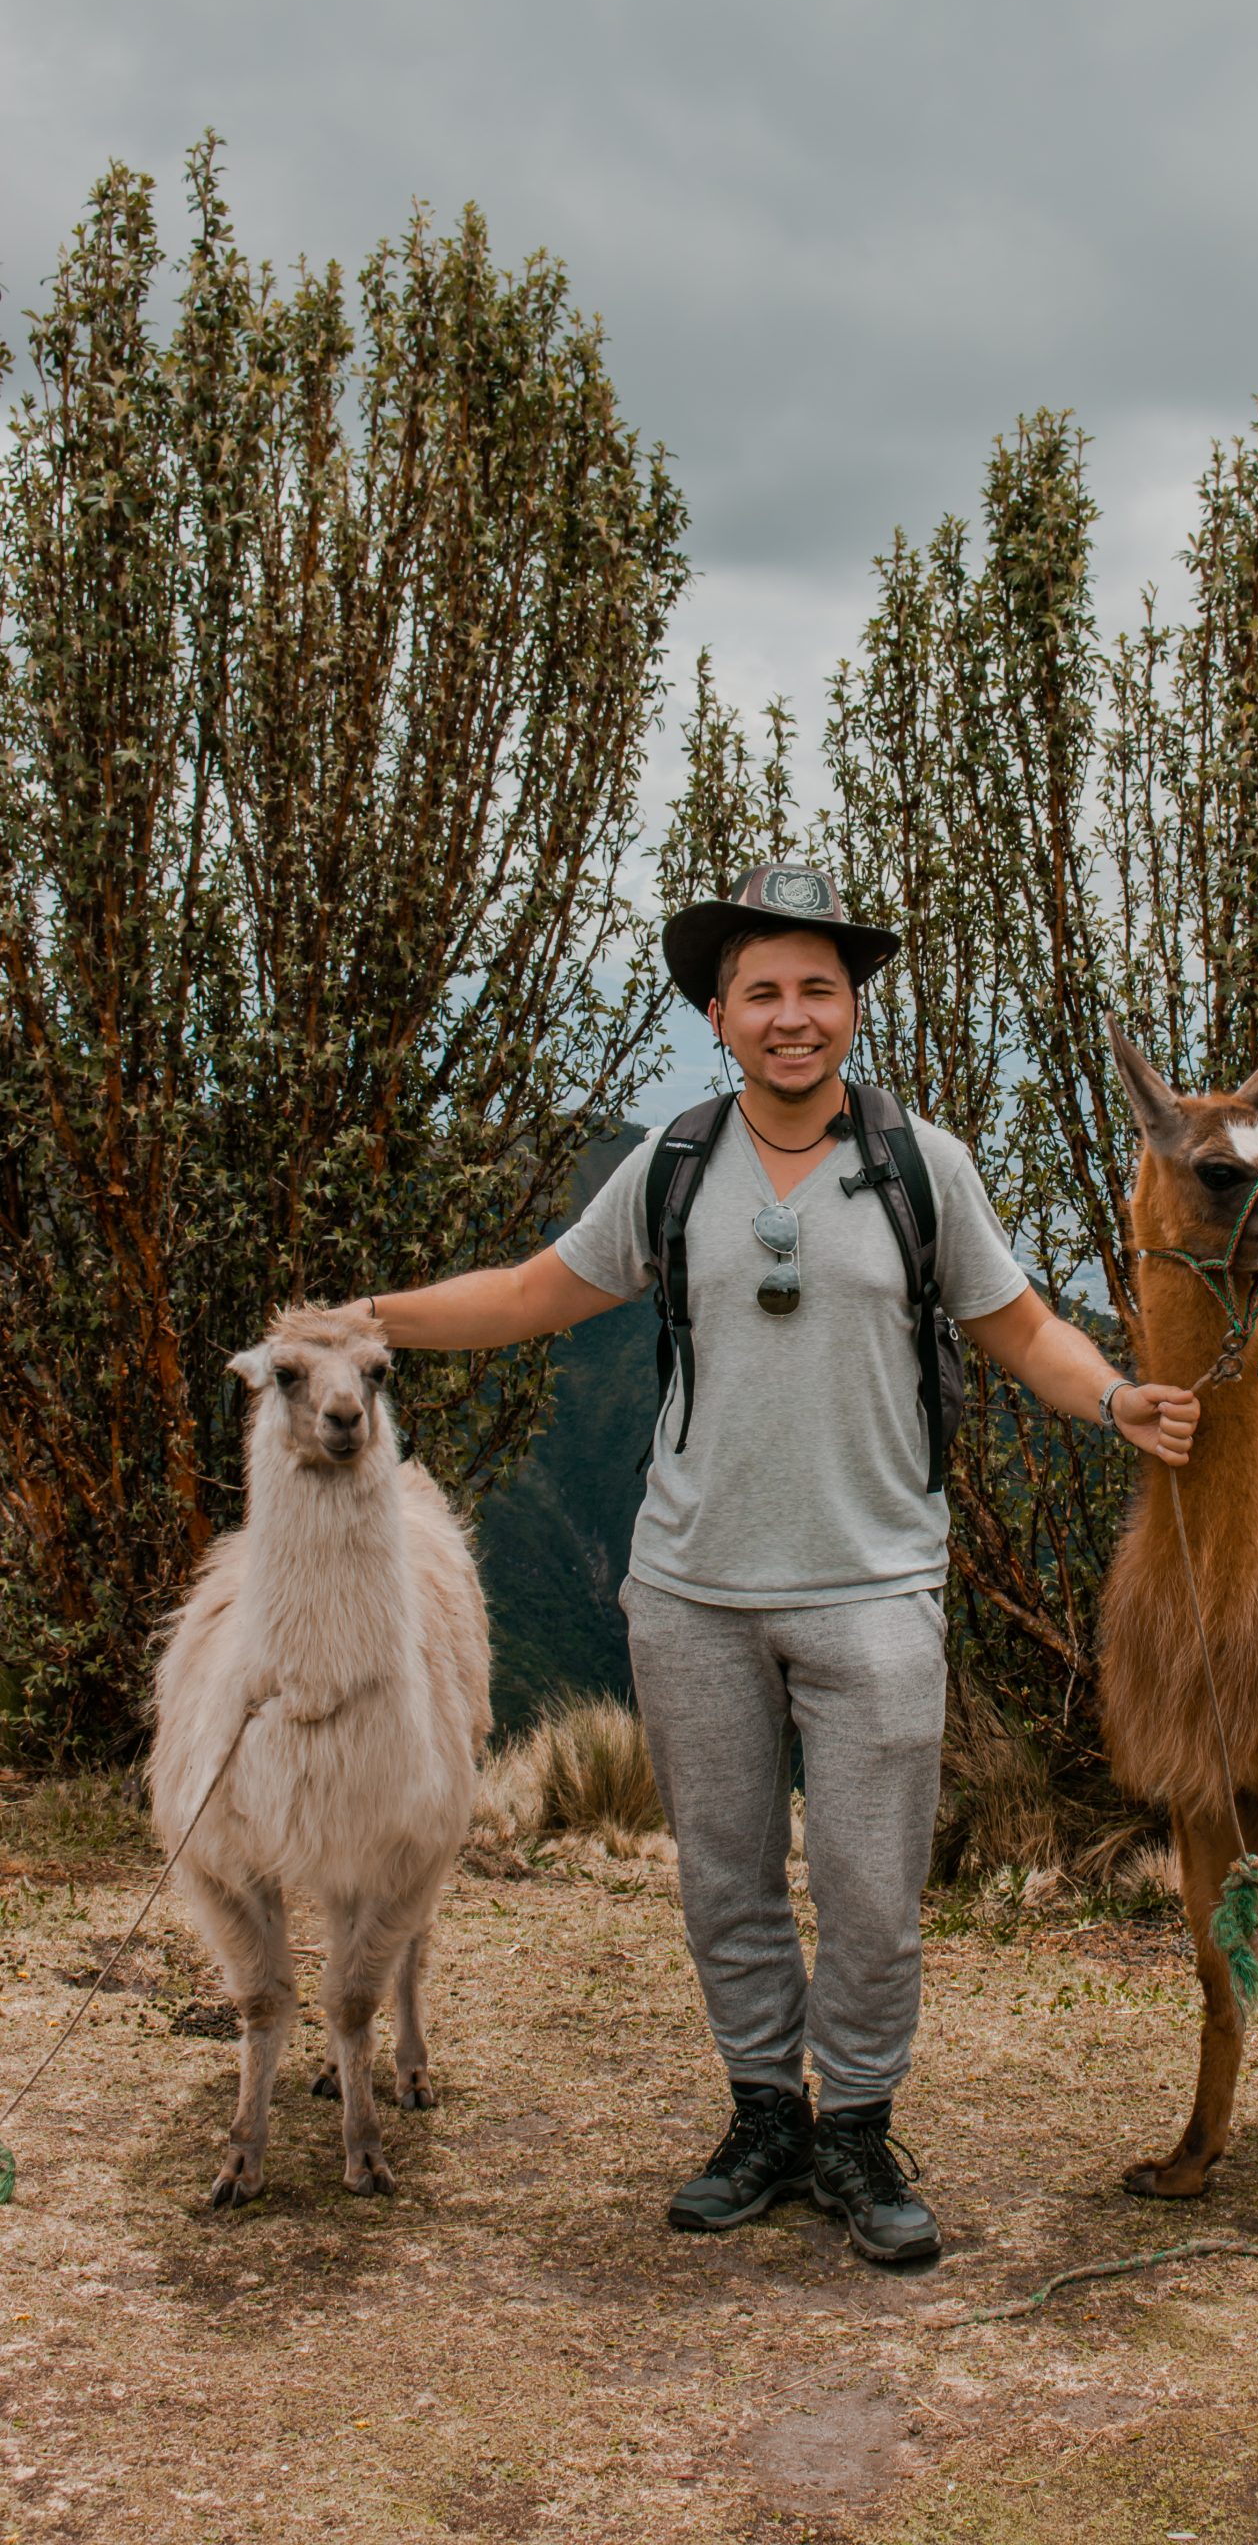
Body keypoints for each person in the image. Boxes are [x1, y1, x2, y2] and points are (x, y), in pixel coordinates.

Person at [346, 862, 1199, 2265]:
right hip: (690, 1591)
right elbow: (530, 1294)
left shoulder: (926, 1166)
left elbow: (1024, 1328)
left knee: (872, 1888)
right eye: (763, 993)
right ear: (717, 1014)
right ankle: (764, 2118)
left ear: (853, 1007)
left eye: (818, 988)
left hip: (874, 1590)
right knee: (726, 1880)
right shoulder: (674, 1167)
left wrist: (1114, 1401)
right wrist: (362, 1315)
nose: (792, 1016)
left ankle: (856, 2130)